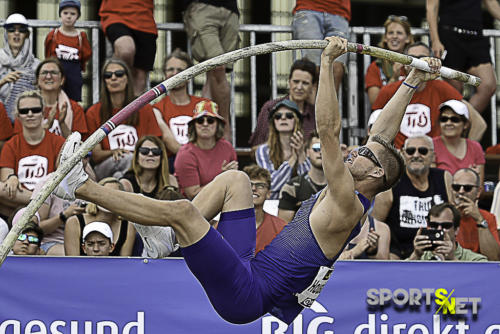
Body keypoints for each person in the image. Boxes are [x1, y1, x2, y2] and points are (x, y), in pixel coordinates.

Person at [54, 37, 441, 324]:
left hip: (246, 296)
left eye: (364, 154)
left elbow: (326, 130)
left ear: (374, 174)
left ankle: (81, 187)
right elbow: (383, 139)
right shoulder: (364, 179)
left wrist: (326, 63)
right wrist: (411, 81)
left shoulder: (347, 202)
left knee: (185, 212)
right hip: (249, 267)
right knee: (236, 179)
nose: (356, 150)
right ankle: (164, 239)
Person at [371, 42, 486, 149]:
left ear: (432, 62)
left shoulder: (441, 88)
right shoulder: (388, 90)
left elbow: (479, 124)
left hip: (433, 158)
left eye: (422, 58)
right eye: (412, 58)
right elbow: (374, 132)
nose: (417, 63)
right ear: (404, 65)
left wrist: (466, 154)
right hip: (398, 158)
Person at [372, 135, 452, 259]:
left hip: (440, 248)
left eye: (423, 151)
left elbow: (454, 221)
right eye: (410, 151)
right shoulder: (391, 181)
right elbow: (376, 224)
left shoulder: (444, 178)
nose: (416, 155)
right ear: (403, 154)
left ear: (433, 156)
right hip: (400, 254)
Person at [85, 58, 162, 180]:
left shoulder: (144, 108)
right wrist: (114, 152)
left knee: (119, 177)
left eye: (119, 74)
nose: (113, 78)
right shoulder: (93, 112)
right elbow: (96, 155)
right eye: (108, 75)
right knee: (127, 159)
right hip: (106, 166)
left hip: (140, 164)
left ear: (127, 79)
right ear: (104, 81)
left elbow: (156, 144)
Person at [0, 90, 65, 218]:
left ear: (43, 113)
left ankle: (41, 203)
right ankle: (40, 202)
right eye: (24, 111)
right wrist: (11, 177)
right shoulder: (11, 144)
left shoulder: (58, 142)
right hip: (22, 201)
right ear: (18, 115)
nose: (30, 114)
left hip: (49, 199)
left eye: (35, 110)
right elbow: (5, 181)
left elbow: (62, 180)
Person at [426, 0, 499, 114]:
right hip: (450, 35)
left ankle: (461, 122)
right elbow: (431, 7)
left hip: (475, 36)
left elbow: (492, 4)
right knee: (455, 90)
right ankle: (456, 124)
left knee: (488, 85)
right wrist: (435, 40)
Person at [183, 0, 239, 141]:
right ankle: (224, 126)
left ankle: (207, 131)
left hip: (231, 10)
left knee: (214, 74)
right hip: (202, 7)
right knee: (217, 67)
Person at [152, 49, 209, 168]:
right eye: (170, 70)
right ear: (164, 75)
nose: (175, 74)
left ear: (189, 76)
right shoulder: (157, 108)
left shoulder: (203, 105)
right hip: (172, 163)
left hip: (204, 157)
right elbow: (169, 142)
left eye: (180, 70)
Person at [174, 100, 237, 200]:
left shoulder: (227, 147)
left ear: (218, 125)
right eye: (200, 120)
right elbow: (193, 194)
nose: (205, 124)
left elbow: (234, 183)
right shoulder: (185, 154)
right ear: (194, 125)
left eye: (210, 120)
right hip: (193, 207)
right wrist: (221, 179)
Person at [248, 58, 317, 147]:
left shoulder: (315, 114)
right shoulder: (271, 108)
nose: (299, 87)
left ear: (313, 86)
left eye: (305, 83)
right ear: (289, 82)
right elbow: (256, 146)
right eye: (296, 81)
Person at [13, 58, 88, 139]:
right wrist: (47, 126)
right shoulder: (25, 108)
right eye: (44, 73)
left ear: (62, 80)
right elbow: (20, 143)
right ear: (37, 80)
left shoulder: (74, 108)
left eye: (53, 73)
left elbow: (78, 146)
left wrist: (62, 123)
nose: (48, 77)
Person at [64, 177, 135, 256]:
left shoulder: (128, 226)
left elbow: (125, 264)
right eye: (105, 195)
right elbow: (72, 263)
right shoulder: (74, 222)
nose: (108, 200)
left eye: (114, 196)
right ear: (95, 197)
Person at [99, 0, 156, 95]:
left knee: (140, 78)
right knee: (126, 49)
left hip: (145, 19)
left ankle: (133, 108)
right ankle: (116, 103)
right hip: (116, 13)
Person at [255, 100, 310, 199]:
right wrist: (293, 159)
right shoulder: (263, 151)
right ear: (274, 122)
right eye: (278, 116)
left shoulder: (309, 149)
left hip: (301, 205)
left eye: (289, 116)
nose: (283, 118)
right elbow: (271, 185)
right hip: (273, 205)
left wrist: (301, 154)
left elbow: (310, 185)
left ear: (296, 121)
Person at [292, 0, 351, 93]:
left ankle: (328, 107)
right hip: (309, 7)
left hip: (339, 11)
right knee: (312, 69)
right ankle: (311, 107)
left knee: (336, 69)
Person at [44, 0, 91, 102]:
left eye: (73, 13)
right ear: (60, 14)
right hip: (56, 75)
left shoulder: (81, 37)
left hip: (74, 76)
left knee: (73, 103)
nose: (69, 16)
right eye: (65, 13)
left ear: (78, 16)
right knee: (54, 100)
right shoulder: (53, 35)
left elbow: (86, 56)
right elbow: (48, 57)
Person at [408, 203, 487, 261]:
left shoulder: (474, 260)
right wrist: (416, 255)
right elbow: (399, 277)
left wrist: (452, 258)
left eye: (446, 226)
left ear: (456, 230)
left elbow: (478, 281)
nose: (439, 229)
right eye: (433, 225)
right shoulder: (421, 257)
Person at [451, 168, 500, 260]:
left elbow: (494, 259)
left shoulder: (487, 218)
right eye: (456, 187)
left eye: (467, 188)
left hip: (480, 269)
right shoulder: (440, 215)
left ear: (478, 192)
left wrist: (479, 220)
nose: (461, 191)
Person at [433, 99, 485, 185]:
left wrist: (474, 178)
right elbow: (432, 183)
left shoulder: (476, 148)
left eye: (455, 119)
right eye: (444, 119)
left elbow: (479, 188)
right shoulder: (431, 145)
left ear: (465, 124)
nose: (448, 123)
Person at [278, 130, 326, 222]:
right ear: (307, 152)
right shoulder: (292, 187)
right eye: (316, 148)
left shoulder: (340, 186)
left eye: (325, 148)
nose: (320, 152)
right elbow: (283, 228)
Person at [365, 15, 414, 105]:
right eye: (390, 33)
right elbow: (375, 102)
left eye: (399, 33)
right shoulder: (375, 67)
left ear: (407, 39)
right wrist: (394, 79)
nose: (394, 36)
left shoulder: (414, 64)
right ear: (385, 38)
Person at [0, 13, 40, 122]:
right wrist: (3, 81)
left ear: (27, 35)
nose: (16, 33)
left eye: (21, 30)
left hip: (27, 122)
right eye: (11, 30)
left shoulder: (36, 65)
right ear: (6, 34)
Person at [243, 164, 287, 254]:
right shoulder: (224, 225)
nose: (254, 189)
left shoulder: (281, 228)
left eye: (260, 185)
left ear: (268, 193)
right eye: (249, 184)